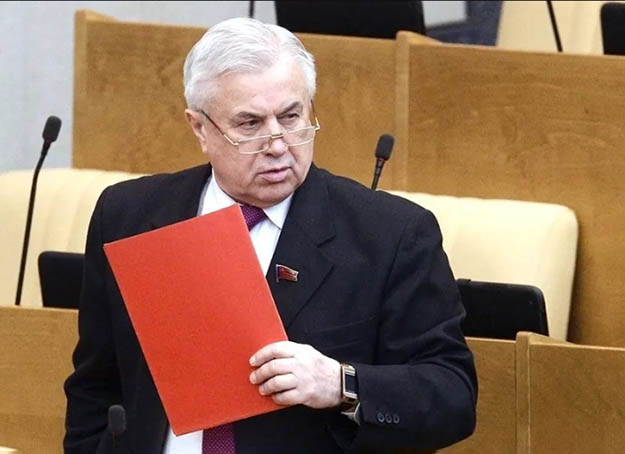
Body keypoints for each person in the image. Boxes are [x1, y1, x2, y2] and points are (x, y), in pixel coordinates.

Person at [64, 17, 477, 454]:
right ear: (200, 128)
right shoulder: (127, 215)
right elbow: (95, 384)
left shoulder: (391, 234)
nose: (278, 144)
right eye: (250, 124)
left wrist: (342, 384)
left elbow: (452, 396)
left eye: (291, 116)